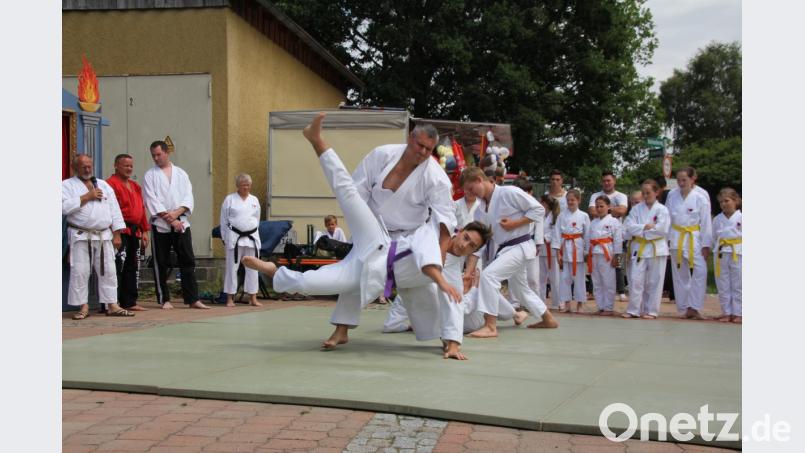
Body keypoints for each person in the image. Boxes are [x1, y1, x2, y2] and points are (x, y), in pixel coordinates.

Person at [243, 113, 485, 360]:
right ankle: (317, 141)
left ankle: (449, 340)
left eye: (428, 149)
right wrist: (359, 222)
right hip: (374, 231)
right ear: (411, 138)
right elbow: (356, 190)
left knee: (325, 282)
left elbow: (444, 220)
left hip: (403, 238)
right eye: (419, 145)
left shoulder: (435, 182)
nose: (423, 152)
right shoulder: (383, 154)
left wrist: (454, 341)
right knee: (347, 193)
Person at [461, 167, 559, 338]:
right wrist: (469, 270)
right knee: (520, 289)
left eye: (471, 188)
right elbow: (480, 243)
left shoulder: (509, 192)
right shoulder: (480, 210)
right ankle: (548, 318)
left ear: (479, 179)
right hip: (506, 249)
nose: (471, 194)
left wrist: (516, 223)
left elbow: (538, 210)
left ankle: (490, 325)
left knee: (488, 276)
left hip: (520, 245)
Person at [62, 155, 134, 319]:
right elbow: (63, 208)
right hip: (80, 236)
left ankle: (112, 305)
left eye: (89, 166)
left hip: (103, 235)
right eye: (83, 167)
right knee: (80, 271)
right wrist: (87, 197)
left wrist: (117, 233)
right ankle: (83, 306)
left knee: (108, 271)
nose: (88, 169)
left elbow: (114, 209)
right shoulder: (66, 186)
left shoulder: (103, 185)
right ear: (75, 168)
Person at [143, 140, 210, 310]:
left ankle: (193, 298)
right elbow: (152, 200)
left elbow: (188, 198)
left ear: (167, 152)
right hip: (161, 226)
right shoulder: (150, 175)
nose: (156, 158)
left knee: (188, 261)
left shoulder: (181, 174)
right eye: (153, 155)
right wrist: (171, 219)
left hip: (182, 224)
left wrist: (177, 214)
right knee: (161, 263)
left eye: (158, 154)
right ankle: (164, 299)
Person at [665, 167, 713, 320]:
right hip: (676, 236)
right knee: (680, 274)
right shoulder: (672, 195)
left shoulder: (701, 196)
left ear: (693, 179)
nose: (681, 183)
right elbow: (666, 219)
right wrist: (666, 242)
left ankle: (695, 306)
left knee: (700, 271)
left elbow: (706, 222)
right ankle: (684, 308)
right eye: (678, 180)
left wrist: (706, 245)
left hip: (694, 237)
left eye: (684, 180)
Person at [107, 154, 150, 312]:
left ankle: (130, 301)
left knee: (132, 267)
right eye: (126, 165)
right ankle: (113, 301)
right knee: (118, 266)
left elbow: (141, 209)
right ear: (116, 166)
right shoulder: (110, 184)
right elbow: (110, 210)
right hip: (120, 230)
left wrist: (144, 230)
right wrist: (115, 232)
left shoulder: (135, 185)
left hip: (134, 230)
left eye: (131, 166)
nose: (129, 168)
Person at [623, 179, 670, 319]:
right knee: (635, 279)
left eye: (648, 192)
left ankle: (652, 311)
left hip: (657, 248)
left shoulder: (663, 210)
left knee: (654, 281)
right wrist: (644, 227)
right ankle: (633, 310)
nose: (645, 195)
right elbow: (628, 227)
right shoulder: (637, 209)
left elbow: (662, 229)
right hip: (640, 248)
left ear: (656, 192)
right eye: (643, 193)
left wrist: (641, 230)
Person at [220, 173, 262, 307]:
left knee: (253, 268)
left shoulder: (254, 200)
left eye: (248, 185)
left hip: (251, 237)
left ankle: (253, 298)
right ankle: (230, 299)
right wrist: (225, 237)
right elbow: (224, 220)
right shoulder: (230, 199)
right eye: (244, 185)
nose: (246, 188)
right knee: (232, 269)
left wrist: (253, 230)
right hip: (234, 238)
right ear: (237, 186)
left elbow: (257, 219)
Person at [587, 171, 628, 301]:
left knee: (619, 264)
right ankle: (594, 293)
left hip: (616, 235)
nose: (606, 183)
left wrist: (607, 210)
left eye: (609, 180)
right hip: (598, 241)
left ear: (614, 181)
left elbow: (622, 211)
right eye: (604, 180)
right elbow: (593, 211)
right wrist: (611, 209)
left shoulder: (621, 195)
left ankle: (621, 290)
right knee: (598, 271)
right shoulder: (595, 195)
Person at [552, 189, 590, 313]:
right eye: (568, 200)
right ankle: (566, 303)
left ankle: (580, 304)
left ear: (578, 200)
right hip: (564, 246)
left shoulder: (584, 215)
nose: (570, 202)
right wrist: (557, 252)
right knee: (564, 278)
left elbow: (587, 234)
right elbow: (556, 233)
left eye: (573, 200)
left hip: (577, 246)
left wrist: (587, 251)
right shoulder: (562, 215)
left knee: (579, 277)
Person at [588, 196, 623, 315]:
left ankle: (608, 307)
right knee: (597, 281)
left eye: (601, 206)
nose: (599, 208)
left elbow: (618, 240)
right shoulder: (593, 222)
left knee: (608, 281)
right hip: (594, 253)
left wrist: (617, 256)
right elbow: (588, 239)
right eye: (597, 206)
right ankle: (600, 306)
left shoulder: (614, 221)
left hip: (608, 254)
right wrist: (587, 253)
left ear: (609, 207)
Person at [712, 188, 742, 324]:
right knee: (722, 283)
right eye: (721, 202)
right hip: (721, 253)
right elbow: (713, 237)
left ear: (735, 201)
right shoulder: (717, 219)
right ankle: (726, 311)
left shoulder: (742, 218)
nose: (724, 204)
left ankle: (739, 312)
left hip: (738, 252)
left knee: (738, 283)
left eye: (727, 201)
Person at [538, 194, 561, 306]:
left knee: (554, 278)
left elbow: (556, 232)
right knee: (540, 278)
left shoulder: (556, 216)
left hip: (551, 250)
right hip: (540, 250)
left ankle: (557, 302)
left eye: (541, 202)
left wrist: (545, 237)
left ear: (545, 203)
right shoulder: (540, 215)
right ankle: (540, 302)